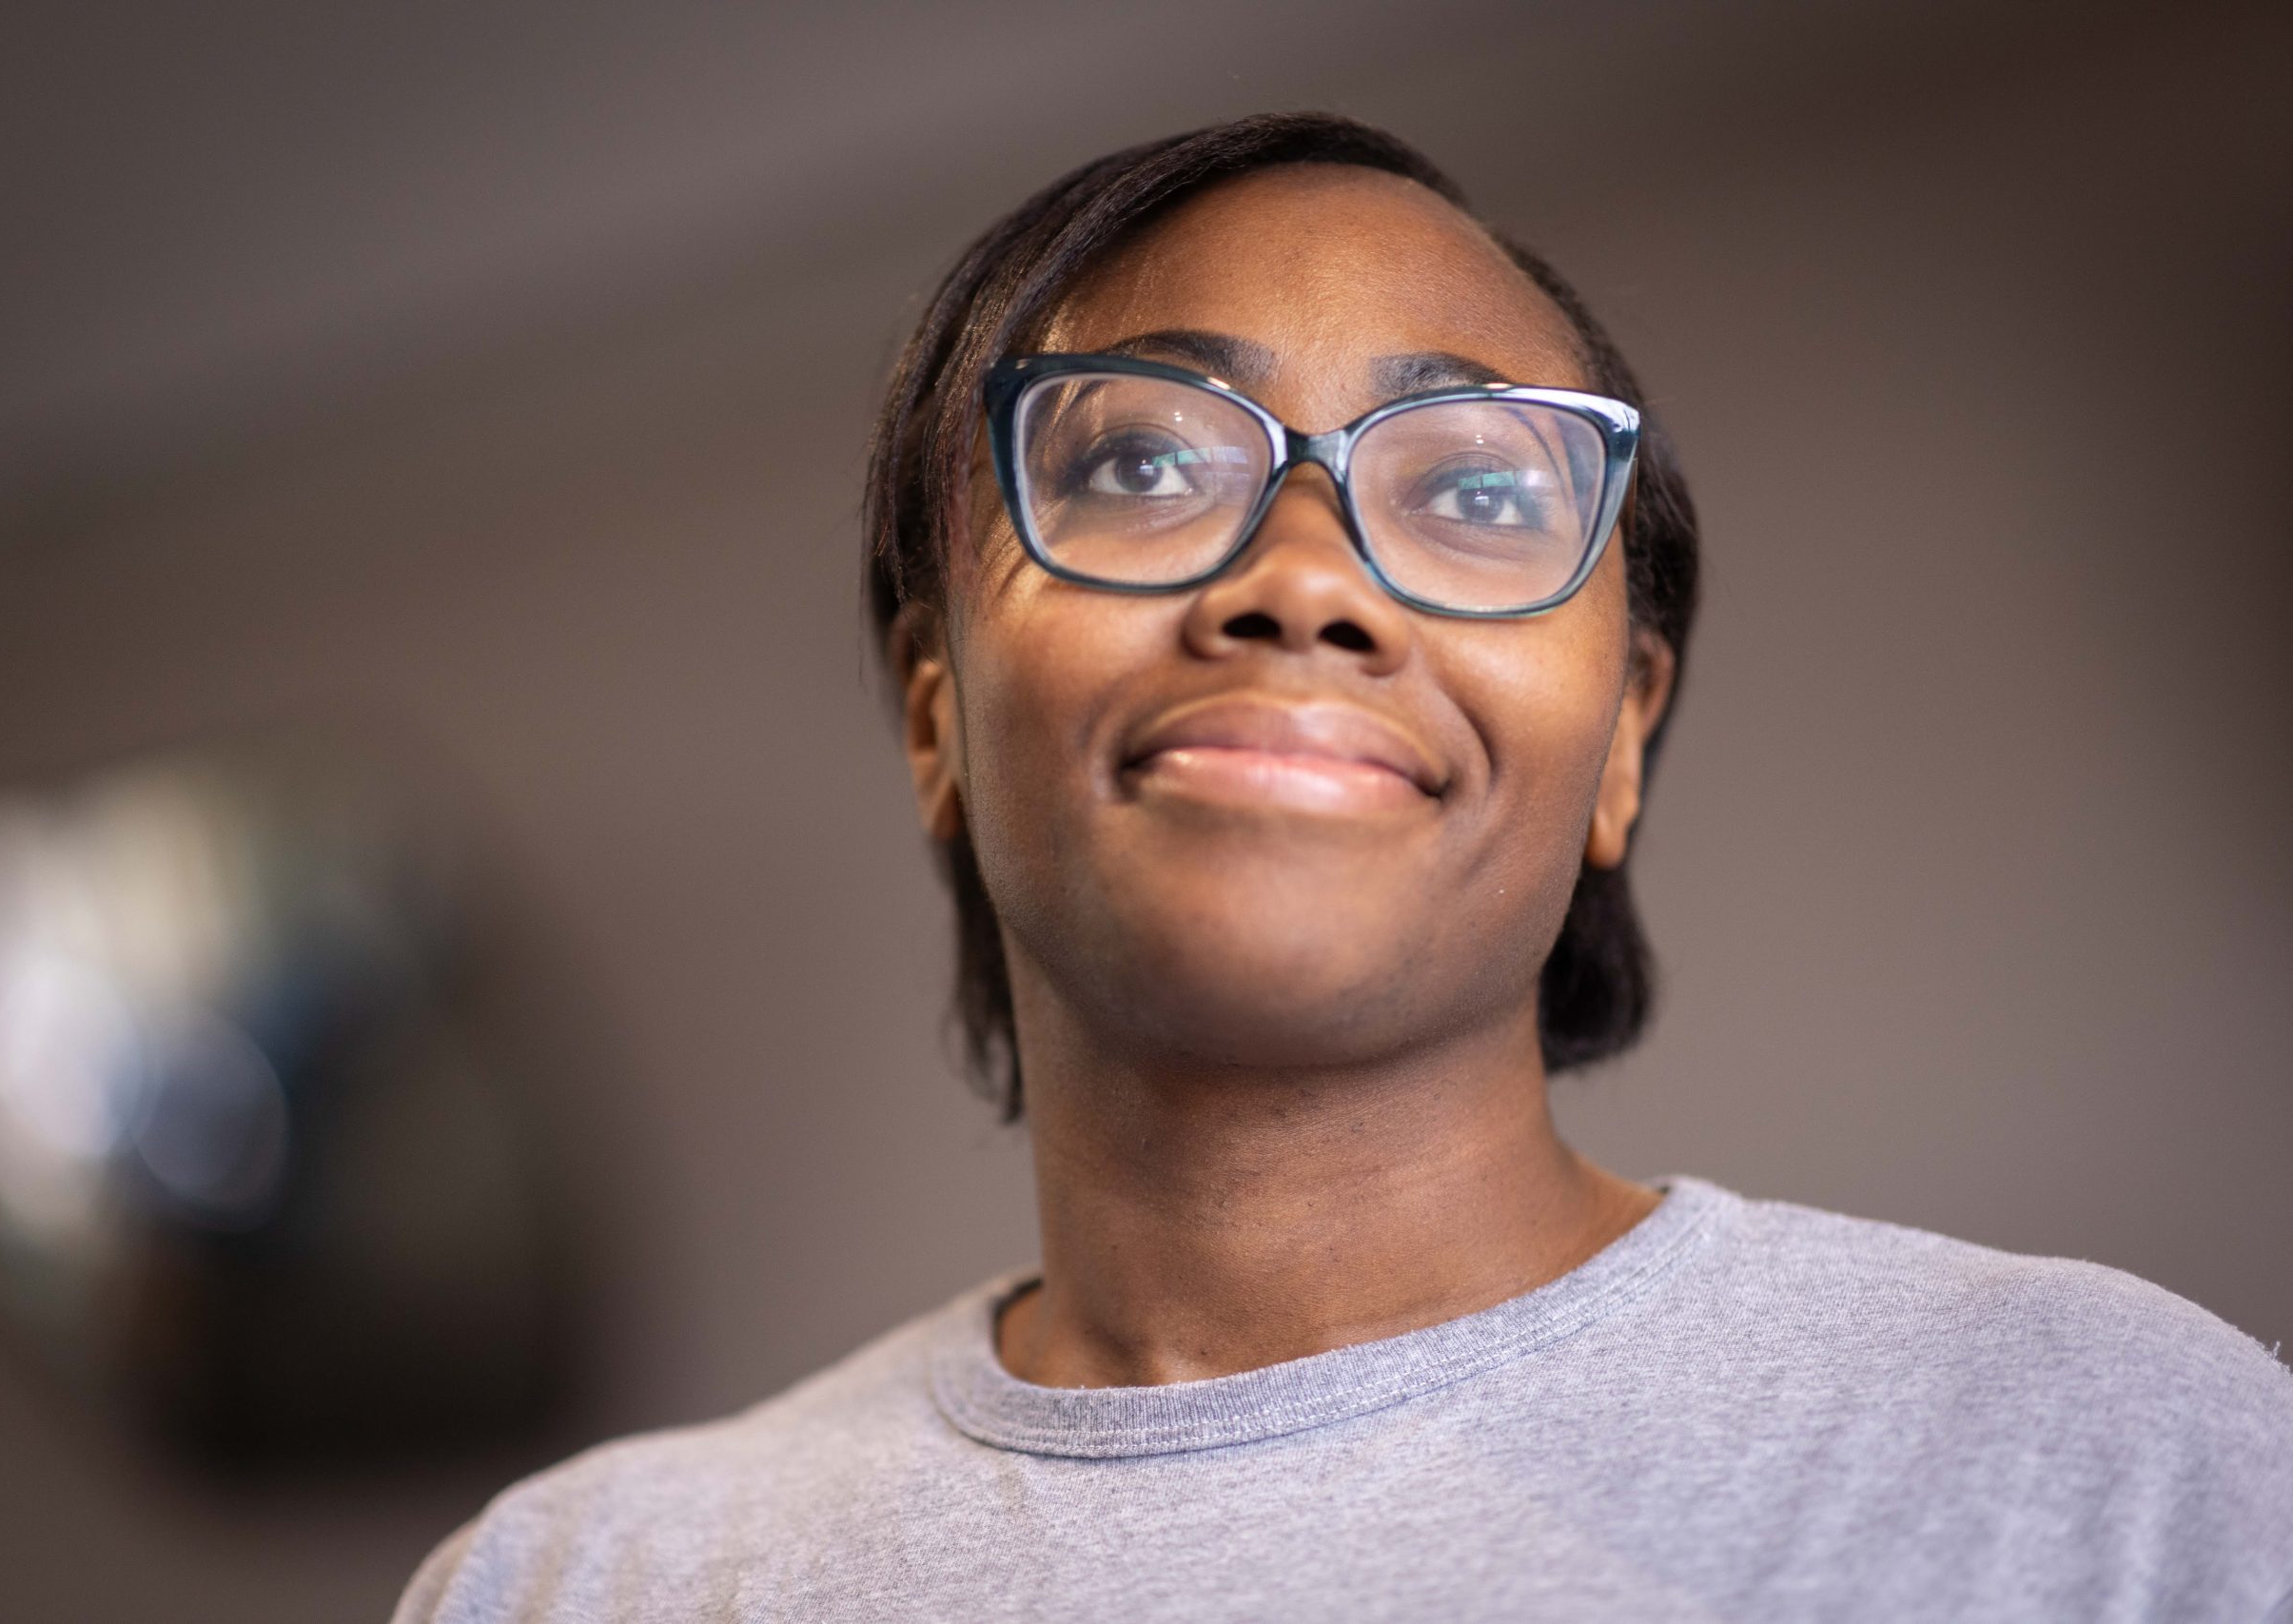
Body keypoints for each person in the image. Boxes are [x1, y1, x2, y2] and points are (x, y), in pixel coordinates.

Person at [394, 113, 2293, 1622]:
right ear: (931, 719)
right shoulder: (578, 1587)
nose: (1302, 576)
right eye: (1139, 466)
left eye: (1471, 490)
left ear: (1618, 736)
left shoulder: (2106, 1443)